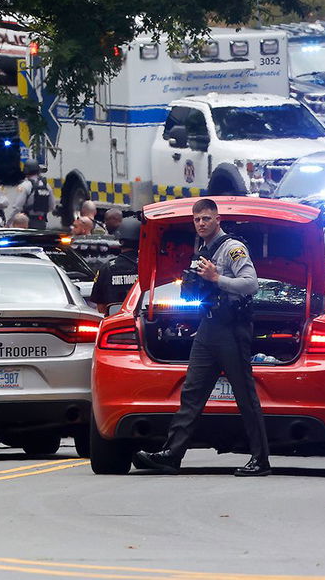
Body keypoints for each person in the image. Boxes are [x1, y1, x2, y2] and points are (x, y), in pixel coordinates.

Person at [134, 198, 270, 477]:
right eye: (197, 220)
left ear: (217, 219)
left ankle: (260, 459)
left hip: (232, 328)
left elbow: (251, 284)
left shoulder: (233, 248)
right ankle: (172, 454)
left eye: (206, 218)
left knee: (244, 394)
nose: (201, 224)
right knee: (192, 392)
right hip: (208, 327)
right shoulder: (202, 250)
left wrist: (216, 278)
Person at [89, 217, 140, 314]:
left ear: (120, 241)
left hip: (115, 323)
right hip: (142, 322)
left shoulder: (107, 268)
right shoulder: (147, 266)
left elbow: (100, 306)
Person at [9, 160, 52, 227]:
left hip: (26, 223)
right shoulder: (46, 185)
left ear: (26, 170)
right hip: (42, 222)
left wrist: (9, 222)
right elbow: (52, 206)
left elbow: (17, 207)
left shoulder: (24, 185)